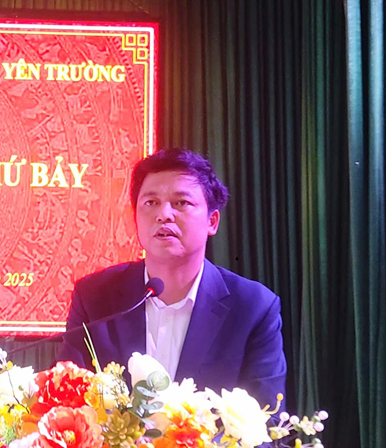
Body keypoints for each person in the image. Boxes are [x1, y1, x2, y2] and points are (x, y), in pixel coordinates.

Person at [58, 148, 287, 410]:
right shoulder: (94, 297)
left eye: (181, 203)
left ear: (212, 221)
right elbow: (66, 405)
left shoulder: (252, 307)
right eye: (151, 203)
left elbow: (267, 418)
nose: (164, 214)